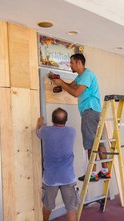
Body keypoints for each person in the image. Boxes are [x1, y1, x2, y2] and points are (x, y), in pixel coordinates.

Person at [50, 53, 110, 182]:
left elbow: (76, 93)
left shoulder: (87, 75)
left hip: (89, 111)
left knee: (90, 143)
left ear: (78, 63)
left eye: (71, 62)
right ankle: (105, 171)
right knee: (98, 142)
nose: (70, 65)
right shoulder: (81, 77)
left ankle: (92, 174)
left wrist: (61, 84)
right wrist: (60, 83)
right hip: (94, 111)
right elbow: (71, 86)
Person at [36, 107, 85, 221]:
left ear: (52, 120)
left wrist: (40, 123)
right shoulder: (72, 131)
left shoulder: (45, 131)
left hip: (50, 178)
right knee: (71, 208)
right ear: (66, 120)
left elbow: (38, 132)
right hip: (68, 178)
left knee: (48, 205)